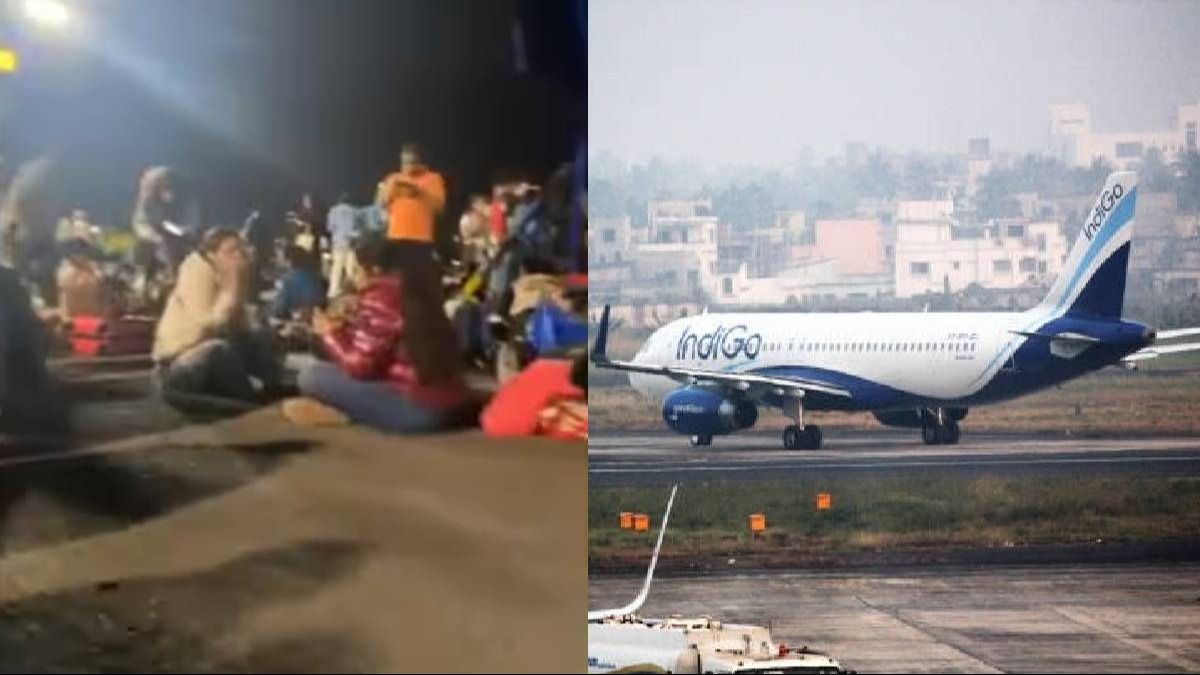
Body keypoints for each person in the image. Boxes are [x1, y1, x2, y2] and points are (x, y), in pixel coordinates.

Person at [291, 237, 467, 432]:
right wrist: (352, 323)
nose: (354, 276)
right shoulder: (417, 290)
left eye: (357, 269)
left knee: (310, 375)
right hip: (450, 400)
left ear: (373, 270)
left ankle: (344, 413)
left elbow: (360, 366)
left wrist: (328, 332)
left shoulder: (382, 295)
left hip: (417, 408)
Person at [152, 227, 279, 403]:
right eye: (231, 251)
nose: (238, 256)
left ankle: (269, 390)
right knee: (218, 350)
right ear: (211, 254)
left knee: (258, 337)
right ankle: (252, 399)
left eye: (240, 250)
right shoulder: (196, 269)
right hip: (177, 364)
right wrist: (232, 287)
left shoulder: (227, 273)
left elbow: (239, 325)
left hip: (203, 358)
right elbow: (210, 322)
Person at [380, 143, 446, 259]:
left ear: (420, 163)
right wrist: (390, 190)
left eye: (411, 162)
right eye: (404, 162)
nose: (407, 166)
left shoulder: (433, 179)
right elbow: (382, 204)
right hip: (395, 237)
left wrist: (418, 192)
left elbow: (439, 207)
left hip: (420, 239)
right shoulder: (393, 178)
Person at [269, 245, 325, 322]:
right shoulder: (312, 275)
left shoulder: (289, 279)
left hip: (301, 319)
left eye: (281, 258)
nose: (278, 260)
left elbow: (280, 307)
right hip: (318, 317)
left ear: (289, 261)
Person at [55, 238, 107, 320]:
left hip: (94, 319)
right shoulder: (64, 269)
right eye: (75, 250)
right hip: (71, 320)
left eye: (82, 250)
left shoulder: (95, 268)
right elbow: (69, 287)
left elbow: (102, 288)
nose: (79, 253)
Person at [326, 192, 361, 298]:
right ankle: (351, 290)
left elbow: (330, 228)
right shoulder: (355, 211)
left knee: (337, 267)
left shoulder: (333, 211)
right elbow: (359, 226)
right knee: (350, 267)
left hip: (338, 242)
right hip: (351, 241)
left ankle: (333, 291)